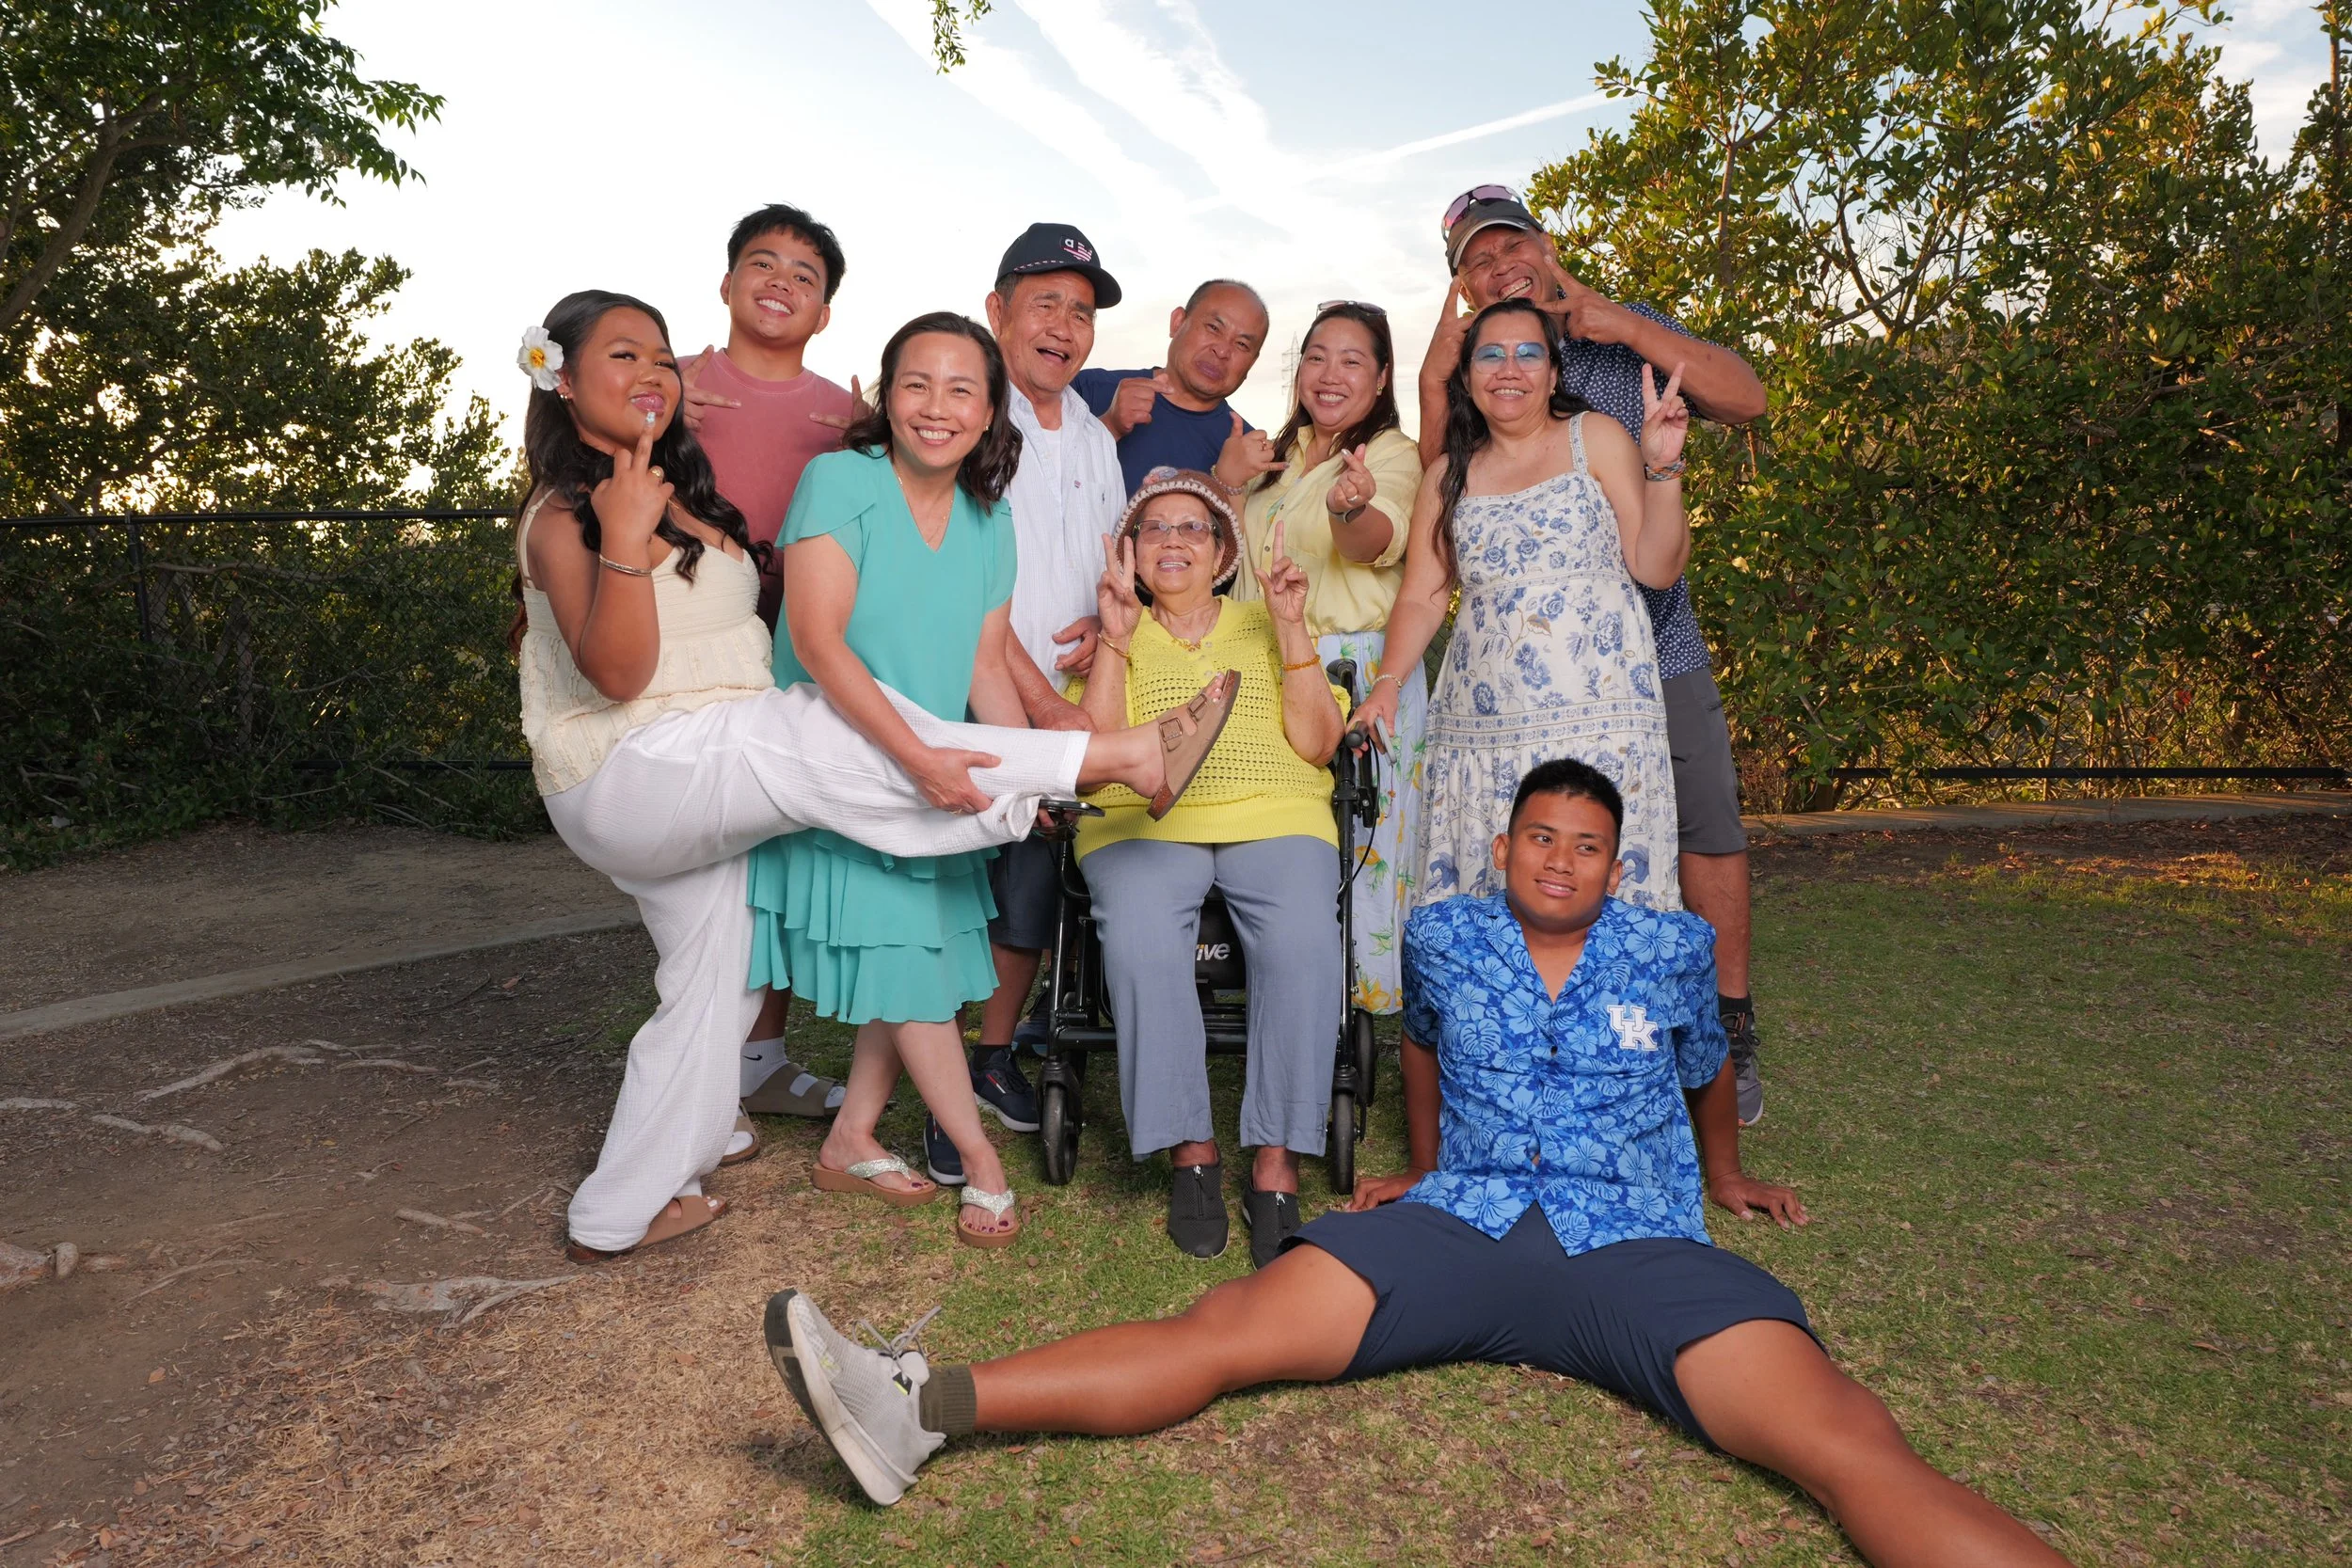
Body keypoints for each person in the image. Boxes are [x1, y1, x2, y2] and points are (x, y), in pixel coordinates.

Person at [761, 761, 2075, 1568]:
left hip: (1640, 1241)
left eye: (1585, 845)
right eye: (1538, 837)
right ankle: (914, 1406)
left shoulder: (1669, 946)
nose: (1559, 860)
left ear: (1616, 865)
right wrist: (1423, 1170)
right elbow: (1429, 1051)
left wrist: (1724, 1176)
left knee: (1848, 1439)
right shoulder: (1447, 934)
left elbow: (1703, 1064)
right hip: (1466, 1223)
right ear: (1504, 845)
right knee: (1228, 1325)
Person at [509, 289, 1232, 1261]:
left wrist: (989, 775)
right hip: (628, 765)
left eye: (662, 357)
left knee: (711, 989)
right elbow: (630, 672)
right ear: (560, 378)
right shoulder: (568, 514)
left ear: (988, 412)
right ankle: (1116, 758)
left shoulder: (681, 493)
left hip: (713, 769)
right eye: (623, 356)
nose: (652, 375)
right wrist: (628, 541)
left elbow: (974, 656)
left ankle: (625, 1201)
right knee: (805, 728)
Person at [742, 313, 1238, 1248]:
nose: (936, 407)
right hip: (843, 752)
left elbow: (983, 667)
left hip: (938, 757)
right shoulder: (838, 481)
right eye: (916, 384)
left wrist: (1021, 782)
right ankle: (980, 1158)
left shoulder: (987, 514)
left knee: (922, 939)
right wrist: (922, 757)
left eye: (960, 389)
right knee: (912, 963)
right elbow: (815, 641)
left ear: (988, 409)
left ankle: (851, 1136)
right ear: (886, 395)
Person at [1424, 185, 1772, 1124]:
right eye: (1478, 261)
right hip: (1523, 684)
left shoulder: (1623, 335)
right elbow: (1440, 505)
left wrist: (1619, 322)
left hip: (1652, 649)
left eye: (1512, 246)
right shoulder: (1479, 368)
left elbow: (1745, 397)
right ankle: (1531, 1049)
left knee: (1700, 829)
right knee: (1538, 849)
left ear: (1546, 245)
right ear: (1463, 286)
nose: (1503, 268)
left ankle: (1723, 1028)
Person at [1064, 470, 1345, 1267]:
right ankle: (1192, 1152)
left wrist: (1291, 626)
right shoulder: (1108, 633)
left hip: (1276, 813)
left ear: (1225, 554)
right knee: (1146, 941)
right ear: (1132, 554)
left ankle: (1277, 1164)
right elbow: (1091, 760)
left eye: (1194, 528)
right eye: (1156, 529)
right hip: (1138, 822)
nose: (1176, 540)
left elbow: (1320, 743)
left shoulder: (1268, 619)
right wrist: (1117, 637)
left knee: (1301, 943)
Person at [1356, 299, 1688, 918]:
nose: (1510, 368)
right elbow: (1425, 595)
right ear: (1468, 375)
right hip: (1483, 737)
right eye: (1491, 354)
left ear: (1554, 373)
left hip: (1601, 727)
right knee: (1495, 913)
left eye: (1528, 352)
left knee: (1600, 900)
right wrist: (1386, 684)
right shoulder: (1446, 475)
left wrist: (1663, 467)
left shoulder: (1597, 438)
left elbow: (1655, 566)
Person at [919, 224, 1130, 1185]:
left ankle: (992, 1052)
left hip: (1066, 701)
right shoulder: (964, 414)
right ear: (997, 308)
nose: (1063, 326)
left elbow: (1105, 561)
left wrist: (1099, 622)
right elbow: (961, 581)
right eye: (1044, 302)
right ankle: (939, 1087)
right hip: (968, 690)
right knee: (960, 886)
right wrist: (1034, 702)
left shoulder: (1091, 432)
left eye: (1080, 312)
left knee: (1034, 881)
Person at [675, 204, 861, 1129]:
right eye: (763, 262)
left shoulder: (845, 412)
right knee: (702, 863)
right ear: (726, 281)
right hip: (682, 649)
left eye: (805, 274)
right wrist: (656, 413)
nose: (781, 281)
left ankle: (760, 1057)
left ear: (824, 309)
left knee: (771, 852)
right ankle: (701, 1071)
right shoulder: (664, 382)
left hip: (793, 645)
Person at [1229, 301, 1424, 1012]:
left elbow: (1370, 542)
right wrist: (1226, 482)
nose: (1330, 373)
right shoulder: (1269, 457)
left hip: (1353, 666)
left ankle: (1357, 1008)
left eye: (1351, 360)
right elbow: (1219, 564)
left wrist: (1350, 507)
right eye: (1317, 356)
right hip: (1263, 662)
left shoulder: (1394, 454)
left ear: (1379, 379)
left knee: (1362, 841)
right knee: (1284, 837)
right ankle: (1284, 992)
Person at [1073, 279, 1274, 496]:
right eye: (1214, 328)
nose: (1223, 351)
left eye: (1242, 345)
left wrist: (1229, 483)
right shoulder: (1087, 391)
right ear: (1177, 322)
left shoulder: (1250, 455)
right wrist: (1109, 426)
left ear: (1252, 363)